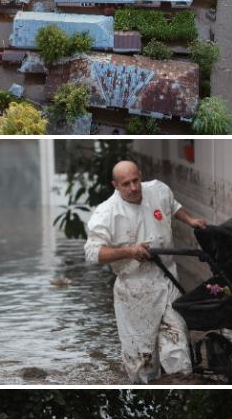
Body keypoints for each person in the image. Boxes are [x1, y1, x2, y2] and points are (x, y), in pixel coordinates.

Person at [84, 160, 207, 384]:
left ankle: (180, 387)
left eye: (135, 180)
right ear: (115, 185)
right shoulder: (106, 213)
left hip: (167, 279)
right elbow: (93, 253)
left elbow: (173, 205)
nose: (133, 187)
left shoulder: (158, 190)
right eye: (126, 184)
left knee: (176, 344)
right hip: (134, 290)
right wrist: (129, 251)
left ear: (140, 176)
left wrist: (191, 221)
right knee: (142, 359)